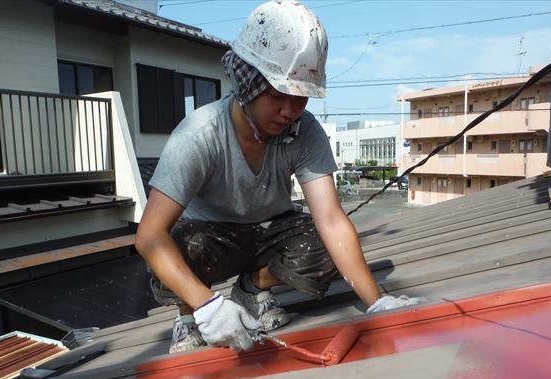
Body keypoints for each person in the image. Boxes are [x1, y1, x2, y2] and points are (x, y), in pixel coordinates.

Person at [135, 0, 418, 354]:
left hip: (268, 231)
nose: (289, 110)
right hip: (211, 239)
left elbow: (330, 219)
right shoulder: (199, 134)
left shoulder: (304, 131)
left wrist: (378, 302)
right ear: (249, 81)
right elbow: (148, 236)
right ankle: (188, 314)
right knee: (179, 246)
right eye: (276, 95)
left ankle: (252, 288)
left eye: (300, 98)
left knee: (326, 248)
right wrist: (207, 304)